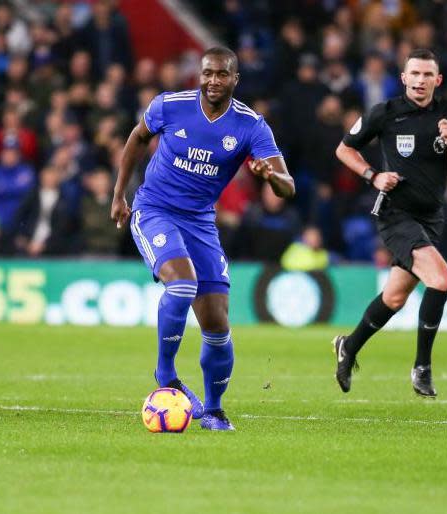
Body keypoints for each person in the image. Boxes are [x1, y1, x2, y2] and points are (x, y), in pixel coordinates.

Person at [111, 47, 295, 431]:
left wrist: (270, 176)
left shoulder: (251, 125)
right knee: (181, 285)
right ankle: (166, 374)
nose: (213, 81)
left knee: (217, 323)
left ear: (235, 79)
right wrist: (118, 194)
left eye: (222, 75)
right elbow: (136, 137)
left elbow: (288, 187)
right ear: (199, 74)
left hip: (200, 223)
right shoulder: (170, 105)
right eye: (207, 73)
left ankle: (212, 409)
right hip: (154, 210)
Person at [333, 49, 447, 397]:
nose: (420, 80)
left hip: (432, 217)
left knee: (395, 298)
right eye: (414, 73)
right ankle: (422, 368)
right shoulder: (385, 113)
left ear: (438, 80)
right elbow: (344, 149)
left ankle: (348, 346)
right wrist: (373, 175)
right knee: (441, 280)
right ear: (403, 78)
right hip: (396, 215)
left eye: (427, 75)